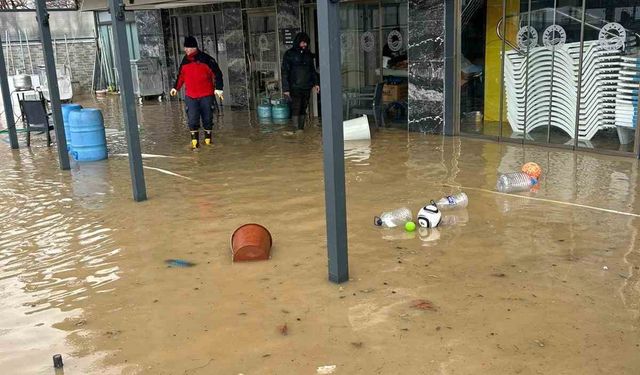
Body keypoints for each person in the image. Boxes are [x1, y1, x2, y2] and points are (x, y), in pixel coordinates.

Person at [170, 36, 224, 149]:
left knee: (208, 118)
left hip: (206, 95)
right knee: (192, 119)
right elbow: (181, 77)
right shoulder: (184, 61)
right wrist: (176, 88)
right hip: (191, 96)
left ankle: (208, 142)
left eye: (187, 48)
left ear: (193, 48)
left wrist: (218, 89)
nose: (185, 50)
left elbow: (217, 74)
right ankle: (195, 144)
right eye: (185, 48)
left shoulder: (207, 59)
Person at [281, 32, 319, 131]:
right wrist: (286, 89)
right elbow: (285, 72)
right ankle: (295, 129)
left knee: (303, 108)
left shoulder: (308, 55)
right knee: (296, 108)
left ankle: (300, 129)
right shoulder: (289, 54)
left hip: (306, 87)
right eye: (303, 42)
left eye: (306, 43)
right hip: (294, 87)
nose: (305, 45)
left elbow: (312, 70)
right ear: (298, 42)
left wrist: (316, 83)